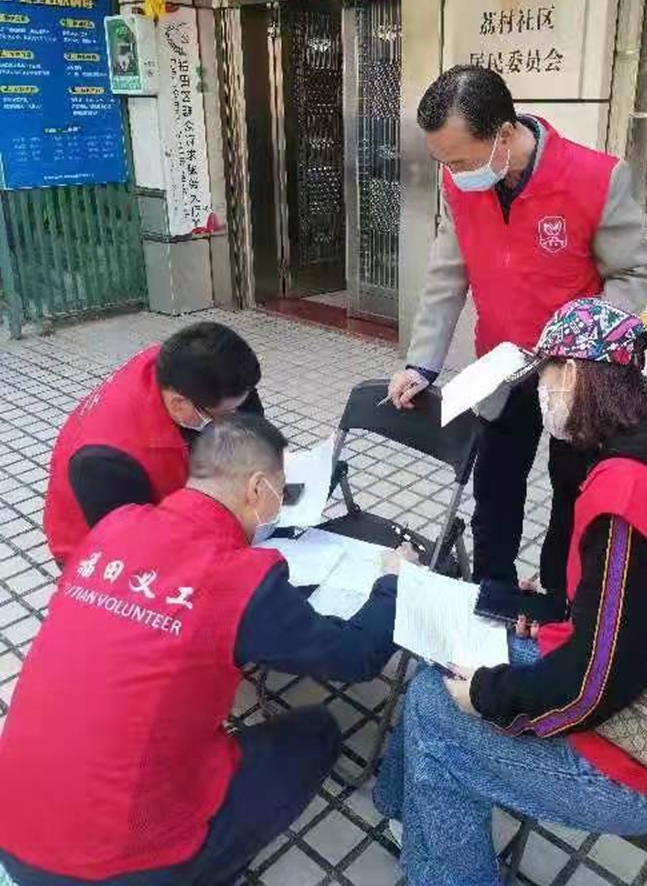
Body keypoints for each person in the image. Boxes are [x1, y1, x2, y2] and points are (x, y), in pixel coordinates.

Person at [375, 297, 647, 886]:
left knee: (438, 709)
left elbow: (592, 688)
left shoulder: (631, 495)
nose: (541, 391)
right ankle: (415, 818)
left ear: (576, 375)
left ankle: (436, 843)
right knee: (449, 659)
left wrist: (486, 695)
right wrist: (569, 603)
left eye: (546, 375)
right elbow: (646, 608)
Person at [0, 413, 415, 886]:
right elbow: (356, 656)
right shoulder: (239, 579)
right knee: (316, 733)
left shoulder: (115, 525)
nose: (280, 502)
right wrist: (394, 583)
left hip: (12, 821)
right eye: (281, 491)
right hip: (113, 864)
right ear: (257, 488)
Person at [388, 66, 647, 607]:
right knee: (494, 489)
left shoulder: (597, 177)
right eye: (443, 162)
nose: (452, 174)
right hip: (503, 366)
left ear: (505, 135)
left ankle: (560, 599)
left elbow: (634, 274)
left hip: (576, 377)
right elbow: (447, 273)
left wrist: (580, 339)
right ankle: (493, 593)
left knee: (573, 491)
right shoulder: (460, 181)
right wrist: (421, 363)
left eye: (461, 160)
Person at [43, 321, 266, 567]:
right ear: (179, 404)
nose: (235, 419)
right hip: (97, 550)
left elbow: (245, 408)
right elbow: (134, 550)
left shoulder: (181, 364)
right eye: (226, 414)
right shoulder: (105, 461)